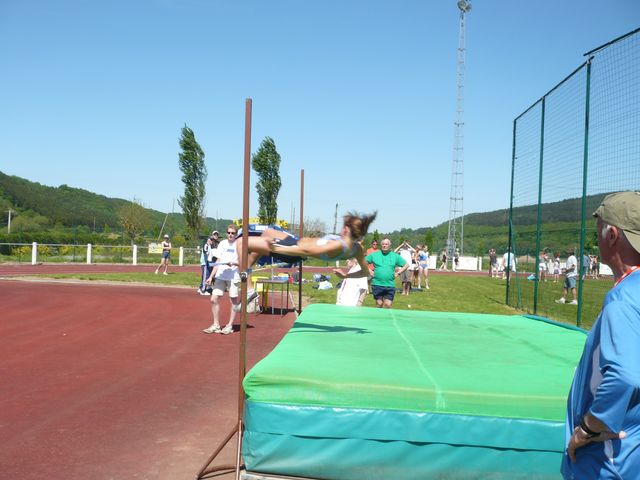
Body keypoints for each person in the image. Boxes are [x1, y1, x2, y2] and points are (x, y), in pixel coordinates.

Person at [562, 191, 640, 479]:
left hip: (610, 460)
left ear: (612, 235)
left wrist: (588, 428)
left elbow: (624, 374)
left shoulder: (624, 298)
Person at [237, 212, 377, 299]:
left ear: (346, 229)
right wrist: (346, 276)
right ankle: (246, 270)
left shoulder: (337, 245)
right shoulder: (357, 248)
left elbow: (305, 251)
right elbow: (365, 272)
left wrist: (275, 247)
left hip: (292, 249)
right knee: (267, 232)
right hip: (295, 241)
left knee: (241, 242)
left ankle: (248, 289)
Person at [202, 225, 242, 335]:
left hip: (233, 276)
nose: (230, 234)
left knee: (233, 301)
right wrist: (211, 277)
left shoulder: (239, 245)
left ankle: (229, 325)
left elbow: (243, 262)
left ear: (236, 234)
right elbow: (218, 261)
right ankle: (216, 325)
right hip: (221, 275)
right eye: (229, 232)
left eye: (233, 233)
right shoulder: (223, 243)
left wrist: (234, 263)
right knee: (213, 299)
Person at [366, 238, 409, 308]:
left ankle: (388, 318)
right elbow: (362, 262)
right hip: (377, 284)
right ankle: (379, 318)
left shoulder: (395, 256)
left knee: (388, 304)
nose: (384, 246)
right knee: (379, 304)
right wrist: (369, 270)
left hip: (389, 284)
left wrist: (398, 273)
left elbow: (406, 265)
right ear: (381, 245)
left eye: (386, 244)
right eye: (383, 244)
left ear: (389, 245)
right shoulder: (375, 255)